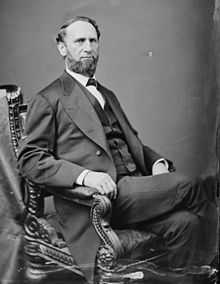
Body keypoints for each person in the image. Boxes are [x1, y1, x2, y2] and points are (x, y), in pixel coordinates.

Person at [17, 16, 218, 283]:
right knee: (191, 185)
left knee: (186, 224)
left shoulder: (107, 94)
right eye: (79, 41)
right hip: (97, 201)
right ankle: (215, 264)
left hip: (134, 191)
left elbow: (130, 145)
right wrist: (86, 176)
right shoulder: (49, 99)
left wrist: (157, 162)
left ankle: (190, 277)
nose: (88, 47)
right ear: (62, 48)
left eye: (93, 40)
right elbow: (30, 159)